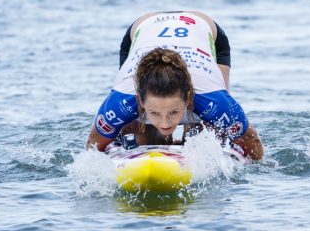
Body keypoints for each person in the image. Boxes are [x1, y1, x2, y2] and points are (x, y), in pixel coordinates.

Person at [86, 10, 264, 161]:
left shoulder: (213, 98)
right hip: (143, 28)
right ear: (139, 99)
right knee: (130, 127)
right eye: (154, 113)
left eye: (173, 112)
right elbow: (92, 149)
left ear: (188, 97)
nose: (164, 124)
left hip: (204, 30)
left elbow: (253, 144)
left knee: (217, 129)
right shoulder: (121, 101)